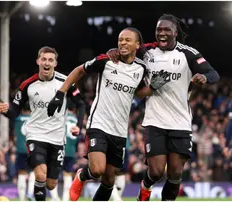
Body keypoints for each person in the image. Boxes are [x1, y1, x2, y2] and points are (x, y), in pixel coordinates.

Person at [47, 27, 170, 201]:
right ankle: (82, 175)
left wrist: (152, 88)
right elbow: (79, 70)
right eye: (120, 39)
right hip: (99, 124)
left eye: (127, 40)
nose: (122, 43)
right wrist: (60, 93)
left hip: (119, 130)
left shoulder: (141, 68)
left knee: (109, 180)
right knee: (97, 170)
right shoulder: (107, 60)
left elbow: (138, 93)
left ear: (137, 45)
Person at [107, 14, 220, 201]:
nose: (162, 33)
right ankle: (146, 186)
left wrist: (204, 78)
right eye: (159, 29)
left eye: (167, 29)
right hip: (155, 121)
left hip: (181, 122)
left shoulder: (188, 53)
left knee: (175, 173)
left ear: (175, 32)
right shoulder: (148, 51)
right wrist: (114, 50)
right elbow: (126, 50)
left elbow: (213, 73)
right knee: (157, 171)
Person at [0, 46, 86, 201]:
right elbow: (15, 112)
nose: (47, 62)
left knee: (51, 184)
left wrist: (79, 126)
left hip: (57, 138)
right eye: (44, 59)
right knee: (40, 173)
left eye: (50, 60)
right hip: (36, 134)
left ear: (55, 63)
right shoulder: (27, 85)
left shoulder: (65, 82)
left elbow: (81, 104)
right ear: (38, 61)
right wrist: (6, 110)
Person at [14, 104, 36, 201]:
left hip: (20, 150)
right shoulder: (35, 119)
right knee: (33, 172)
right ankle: (30, 193)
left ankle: (22, 199)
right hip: (32, 149)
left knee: (21, 174)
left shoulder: (17, 120)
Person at [61, 100, 82, 201]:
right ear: (74, 109)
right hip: (71, 151)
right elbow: (78, 138)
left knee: (53, 174)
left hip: (60, 149)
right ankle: (66, 198)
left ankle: (56, 197)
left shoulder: (61, 118)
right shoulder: (76, 121)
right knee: (68, 175)